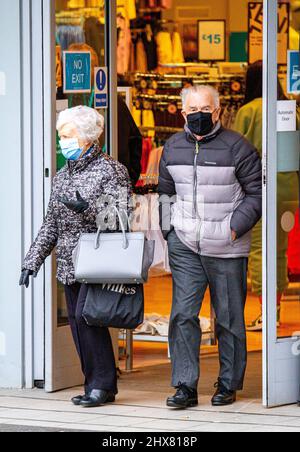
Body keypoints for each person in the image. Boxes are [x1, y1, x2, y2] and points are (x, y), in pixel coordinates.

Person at [19, 106, 132, 408]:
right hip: (70, 265)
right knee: (80, 324)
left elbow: (121, 217)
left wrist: (88, 210)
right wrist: (33, 260)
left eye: (66, 136)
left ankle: (102, 384)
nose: (61, 142)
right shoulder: (61, 176)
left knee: (89, 319)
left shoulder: (111, 170)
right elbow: (51, 223)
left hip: (98, 262)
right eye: (61, 136)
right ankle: (95, 383)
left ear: (86, 138)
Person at [158, 85, 262, 408]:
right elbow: (164, 193)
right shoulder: (172, 147)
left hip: (227, 247)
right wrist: (168, 230)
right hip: (186, 244)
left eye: (205, 109)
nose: (198, 116)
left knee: (229, 318)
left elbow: (257, 194)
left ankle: (228, 383)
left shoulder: (238, 148)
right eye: (192, 111)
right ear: (182, 113)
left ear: (217, 112)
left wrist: (234, 228)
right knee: (183, 316)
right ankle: (185, 386)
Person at [234, 61, 299, 332]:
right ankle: (277, 309)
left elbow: (236, 152)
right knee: (280, 250)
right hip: (288, 188)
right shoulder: (291, 111)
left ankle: (266, 312)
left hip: (258, 189)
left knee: (260, 249)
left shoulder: (248, 111)